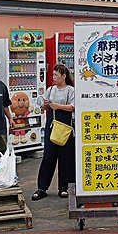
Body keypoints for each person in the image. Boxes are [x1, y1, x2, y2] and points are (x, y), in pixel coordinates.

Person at [32, 64, 76, 200]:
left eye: (56, 75)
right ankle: (42, 188)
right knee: (48, 157)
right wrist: (45, 105)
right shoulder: (51, 90)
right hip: (52, 126)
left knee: (65, 158)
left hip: (66, 127)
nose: (54, 78)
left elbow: (74, 107)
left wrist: (58, 106)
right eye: (53, 75)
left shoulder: (71, 90)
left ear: (64, 76)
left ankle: (64, 187)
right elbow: (43, 106)